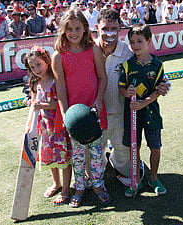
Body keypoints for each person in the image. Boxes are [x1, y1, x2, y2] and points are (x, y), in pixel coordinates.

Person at [95, 9, 170, 187]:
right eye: (105, 28)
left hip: (122, 116)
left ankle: (118, 160)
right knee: (92, 171)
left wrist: (166, 84)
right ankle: (101, 163)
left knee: (130, 175)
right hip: (96, 117)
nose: (109, 33)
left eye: (114, 28)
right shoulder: (90, 50)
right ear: (97, 28)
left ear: (120, 28)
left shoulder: (128, 53)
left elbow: (151, 67)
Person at [52, 9, 111, 208]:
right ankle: (79, 187)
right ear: (63, 30)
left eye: (78, 28)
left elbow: (103, 78)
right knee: (77, 155)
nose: (74, 33)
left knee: (96, 153)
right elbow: (60, 88)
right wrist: (66, 113)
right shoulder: (58, 56)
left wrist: (98, 101)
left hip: (94, 110)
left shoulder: (94, 49)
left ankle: (97, 185)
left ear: (86, 28)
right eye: (70, 29)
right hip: (74, 116)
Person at [118, 23, 166, 197]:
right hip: (131, 115)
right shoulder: (127, 65)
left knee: (155, 148)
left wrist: (143, 102)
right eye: (132, 42)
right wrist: (126, 92)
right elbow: (121, 88)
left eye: (139, 41)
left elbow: (159, 90)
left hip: (151, 114)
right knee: (134, 148)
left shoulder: (157, 65)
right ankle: (136, 180)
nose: (135, 45)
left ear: (149, 41)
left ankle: (153, 178)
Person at [24, 45, 72, 206]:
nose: (36, 69)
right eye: (32, 67)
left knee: (64, 157)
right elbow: (34, 105)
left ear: (46, 61)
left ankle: (66, 189)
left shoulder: (56, 79)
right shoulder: (35, 83)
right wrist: (29, 124)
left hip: (59, 126)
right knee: (50, 156)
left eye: (39, 64)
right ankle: (56, 183)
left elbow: (59, 103)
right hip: (44, 128)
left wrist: (41, 106)